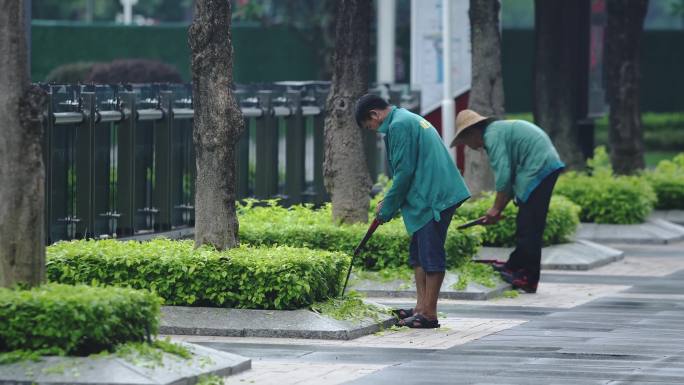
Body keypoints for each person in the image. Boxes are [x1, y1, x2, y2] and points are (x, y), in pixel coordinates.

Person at [355, 94, 471, 328]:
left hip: (433, 198)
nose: (374, 131)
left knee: (430, 254)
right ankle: (421, 308)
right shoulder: (407, 118)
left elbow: (404, 172)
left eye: (370, 127)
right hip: (433, 193)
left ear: (374, 115)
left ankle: (429, 314)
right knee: (418, 254)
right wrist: (389, 200)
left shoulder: (398, 125)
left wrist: (388, 206)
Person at [450, 110, 565, 293]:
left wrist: (495, 208)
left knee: (529, 226)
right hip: (540, 165)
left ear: (472, 133)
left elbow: (503, 176)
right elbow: (509, 179)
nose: (470, 147)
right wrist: (498, 208)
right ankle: (515, 266)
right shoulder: (497, 131)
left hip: (539, 166)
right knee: (526, 223)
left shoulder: (492, 135)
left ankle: (527, 277)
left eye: (466, 142)